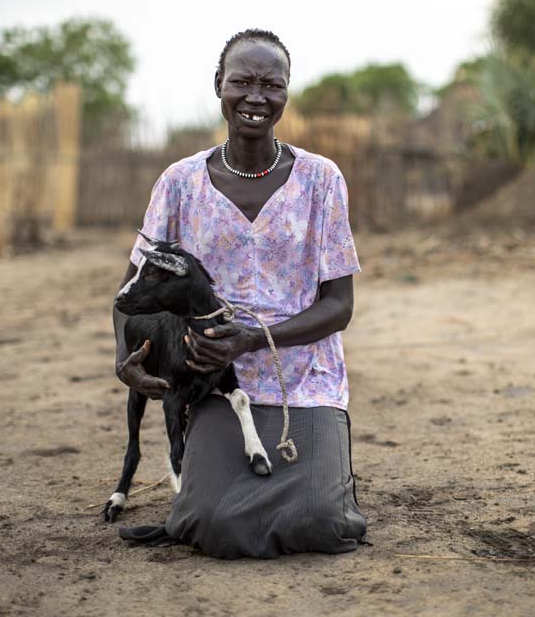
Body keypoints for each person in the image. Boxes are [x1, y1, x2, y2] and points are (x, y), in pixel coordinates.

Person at [113, 29, 367, 559]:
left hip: (306, 377)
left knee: (323, 523)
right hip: (210, 380)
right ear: (219, 87)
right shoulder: (180, 183)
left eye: (271, 84)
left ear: (286, 94)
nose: (256, 97)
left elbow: (339, 306)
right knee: (208, 522)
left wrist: (251, 340)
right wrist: (127, 360)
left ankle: (324, 476)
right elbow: (132, 288)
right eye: (242, 82)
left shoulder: (321, 181)